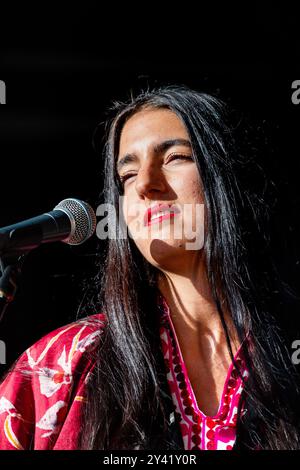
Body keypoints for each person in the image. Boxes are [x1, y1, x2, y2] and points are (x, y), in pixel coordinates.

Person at [0, 85, 300, 450]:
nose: (144, 184)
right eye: (127, 176)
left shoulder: (288, 344)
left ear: (231, 178)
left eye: (175, 157)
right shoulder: (61, 364)